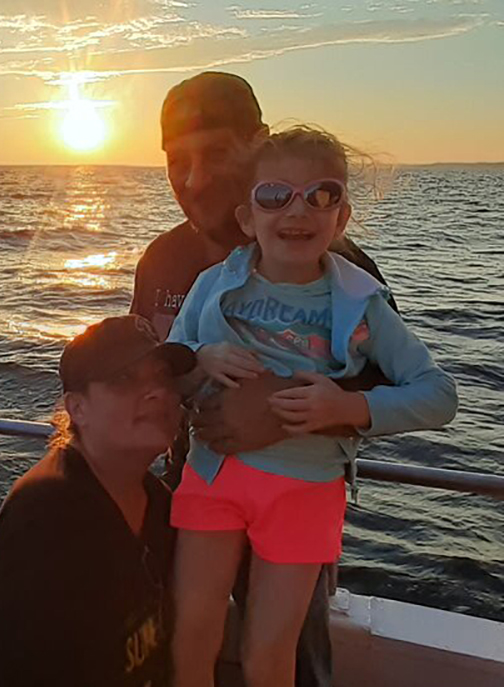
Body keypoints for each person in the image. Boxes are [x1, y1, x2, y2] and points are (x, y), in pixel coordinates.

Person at [166, 126, 458, 687]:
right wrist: (200, 358)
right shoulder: (212, 285)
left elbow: (437, 394)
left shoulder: (363, 303)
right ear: (248, 217)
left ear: (341, 216)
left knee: (269, 654)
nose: (297, 210)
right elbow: (170, 367)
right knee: (191, 634)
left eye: (321, 195)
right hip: (212, 477)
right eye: (274, 194)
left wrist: (346, 407)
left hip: (305, 494)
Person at [130, 71, 395, 687]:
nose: (193, 181)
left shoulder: (339, 267)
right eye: (177, 161)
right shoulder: (161, 259)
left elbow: (391, 388)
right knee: (171, 649)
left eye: (217, 155)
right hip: (188, 496)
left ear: (259, 144)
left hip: (295, 498)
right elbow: (147, 373)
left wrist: (282, 406)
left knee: (290, 663)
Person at [0, 315, 196, 687]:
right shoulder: (49, 517)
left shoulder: (157, 504)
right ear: (77, 408)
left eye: (163, 376)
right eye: (125, 379)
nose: (157, 391)